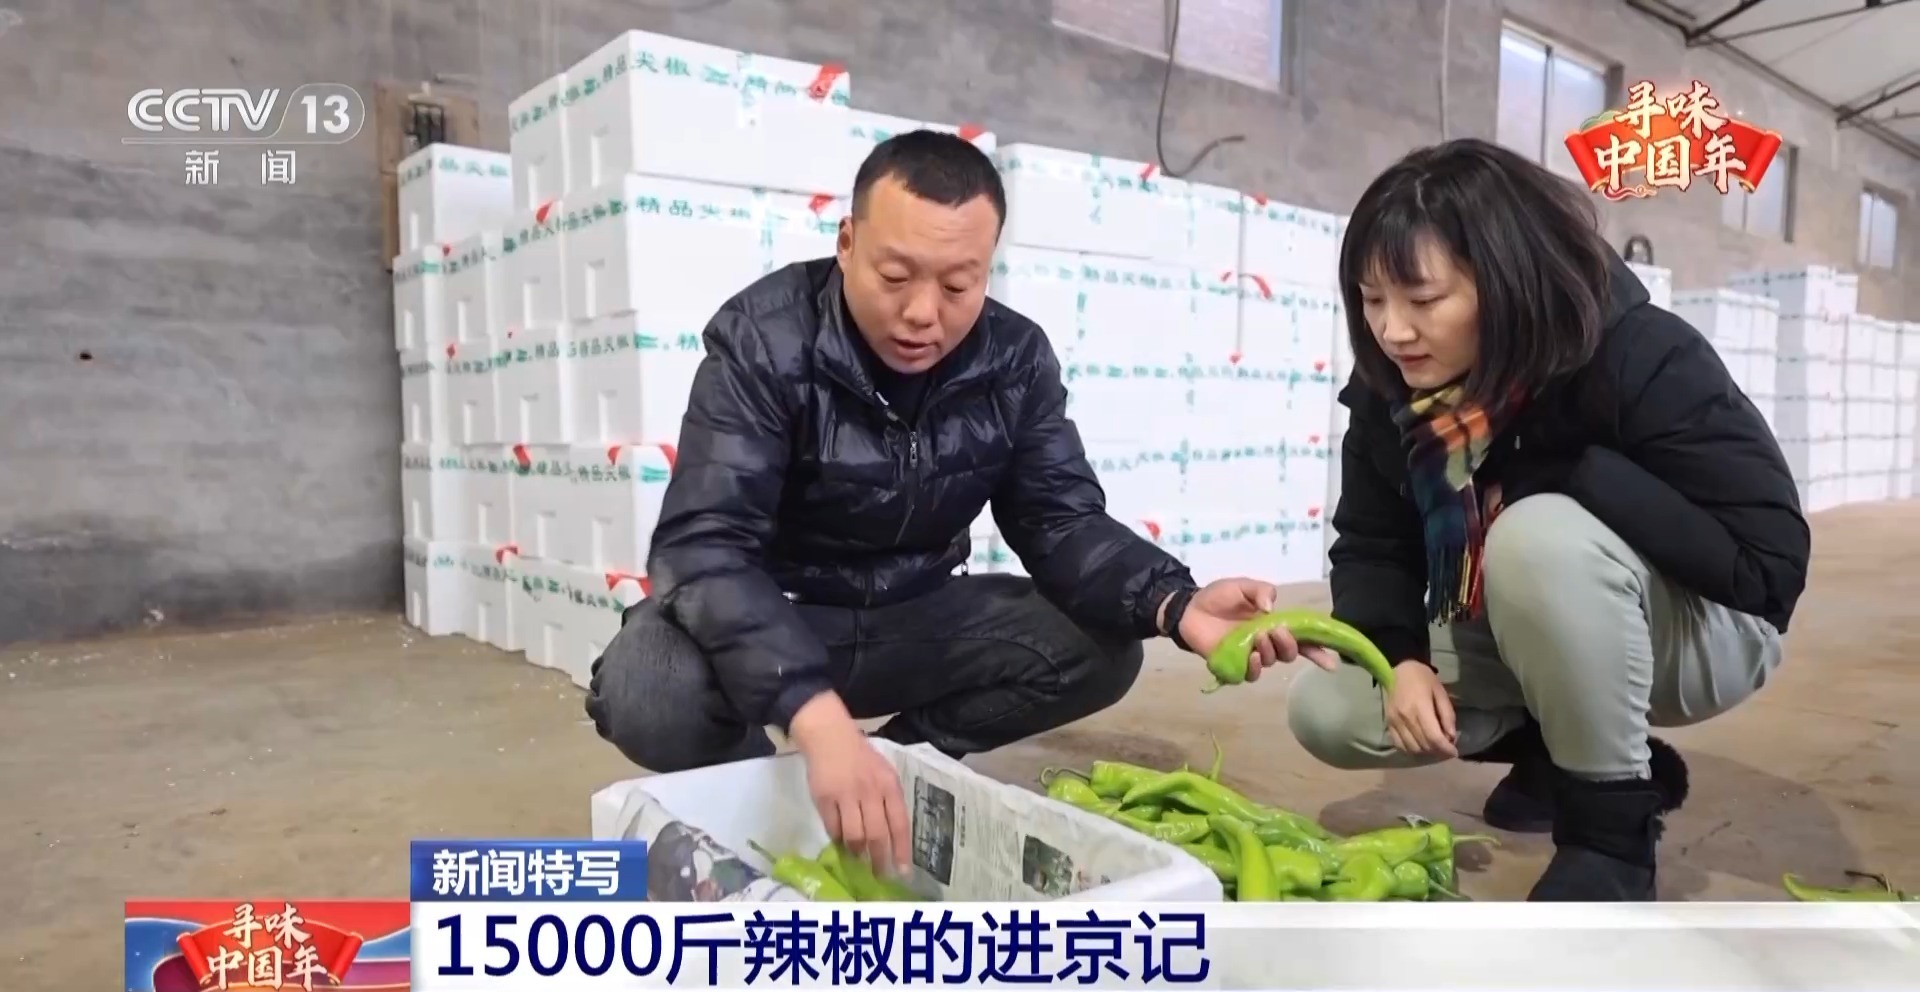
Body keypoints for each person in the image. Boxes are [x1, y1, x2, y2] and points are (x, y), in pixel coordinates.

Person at [585, 130, 1294, 876]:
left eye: (959, 286)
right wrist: (818, 721)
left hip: (914, 616)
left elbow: (1061, 519)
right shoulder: (764, 338)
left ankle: (897, 768)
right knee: (646, 684)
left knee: (1101, 648)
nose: (924, 313)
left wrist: (1175, 603)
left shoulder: (1014, 361)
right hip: (788, 612)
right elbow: (706, 543)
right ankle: (769, 793)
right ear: (847, 242)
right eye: (896, 276)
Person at [1271, 138, 1809, 901]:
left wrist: (1570, 473)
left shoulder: (1639, 355)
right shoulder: (1393, 392)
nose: (1392, 331)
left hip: (1706, 630)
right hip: (1532, 620)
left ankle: (1611, 840)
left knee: (1537, 535)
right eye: (1371, 299)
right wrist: (1402, 658)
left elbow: (1768, 568)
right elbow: (1372, 543)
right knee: (1330, 707)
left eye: (1423, 300)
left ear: (1505, 282)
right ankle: (1567, 750)